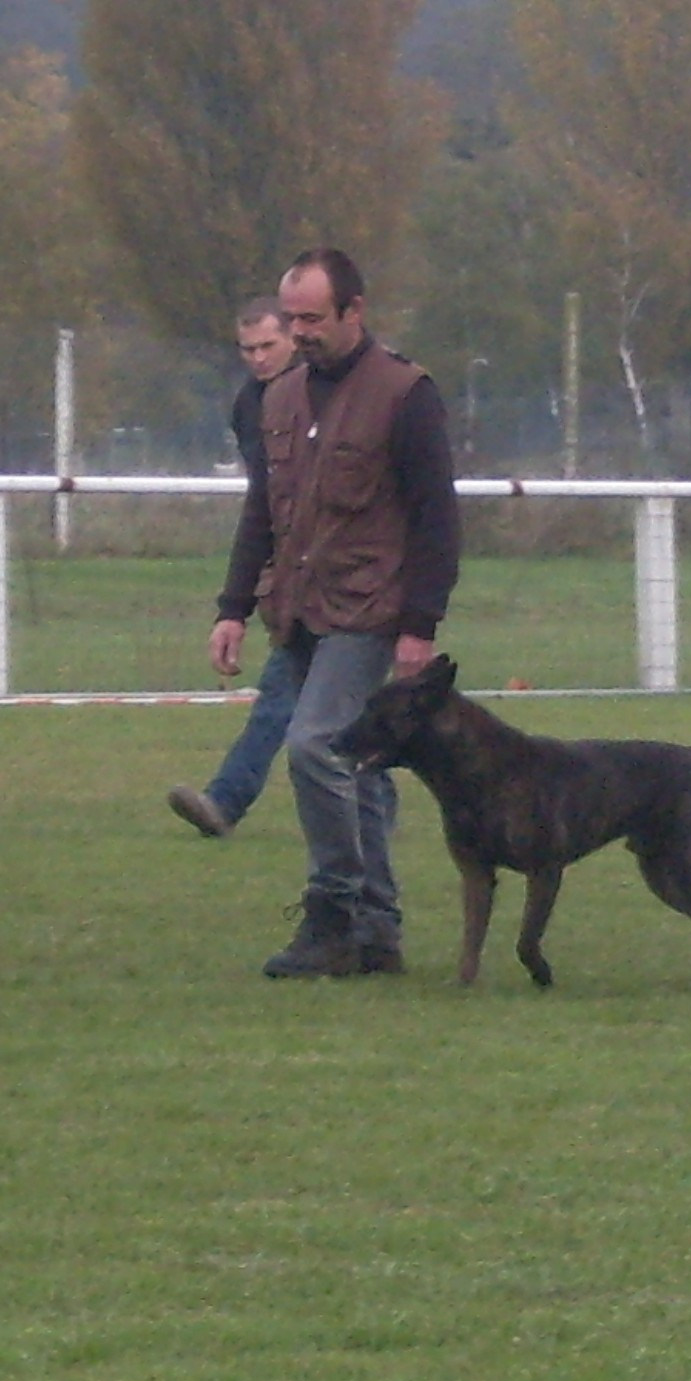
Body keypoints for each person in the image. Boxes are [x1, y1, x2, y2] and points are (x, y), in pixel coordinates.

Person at [204, 248, 462, 978]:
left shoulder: (406, 394)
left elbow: (437, 519)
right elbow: (263, 510)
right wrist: (232, 608)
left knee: (318, 744)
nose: (299, 331)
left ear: (355, 312)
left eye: (312, 317)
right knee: (366, 771)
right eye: (291, 318)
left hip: (370, 610)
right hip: (298, 609)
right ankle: (379, 936)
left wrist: (421, 625)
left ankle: (334, 911)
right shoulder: (277, 399)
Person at [166, 299, 303, 838]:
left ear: (292, 337)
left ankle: (224, 803)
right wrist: (238, 603)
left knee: (286, 696)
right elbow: (264, 504)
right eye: (248, 349)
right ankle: (374, 815)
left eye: (268, 345)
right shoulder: (249, 404)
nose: (259, 358)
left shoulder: (327, 392)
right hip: (296, 574)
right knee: (337, 712)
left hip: (345, 576)